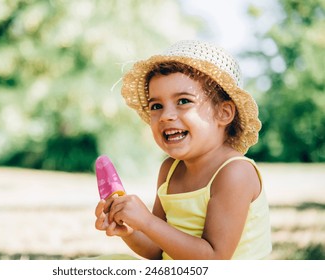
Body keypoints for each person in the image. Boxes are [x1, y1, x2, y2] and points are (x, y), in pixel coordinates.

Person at [94, 40, 272, 260]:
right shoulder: (169, 170)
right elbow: (157, 250)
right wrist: (131, 228)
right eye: (156, 106)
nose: (166, 115)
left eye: (183, 101)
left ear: (224, 113)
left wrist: (148, 222)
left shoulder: (235, 173)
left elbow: (214, 259)